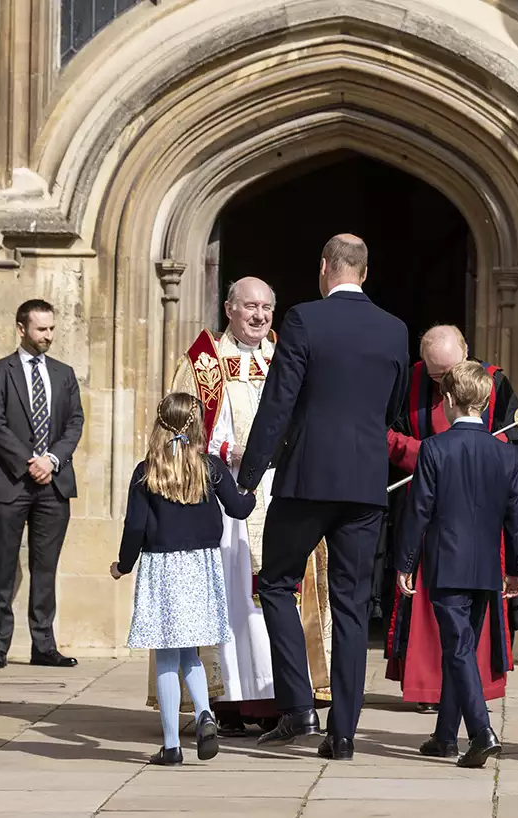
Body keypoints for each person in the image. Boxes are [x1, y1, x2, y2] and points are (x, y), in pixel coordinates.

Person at [237, 234, 409, 760]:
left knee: (275, 583)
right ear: (365, 271)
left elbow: (279, 400)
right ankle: (344, 733)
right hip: (364, 483)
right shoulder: (395, 328)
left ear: (324, 269)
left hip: (309, 477)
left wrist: (248, 475)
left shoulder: (305, 318)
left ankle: (297, 707)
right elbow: (393, 407)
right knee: (353, 605)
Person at [164, 277, 332, 736]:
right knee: (230, 596)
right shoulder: (202, 362)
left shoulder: (287, 356)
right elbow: (180, 430)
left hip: (282, 490)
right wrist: (223, 452)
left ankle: (285, 698)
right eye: (249, 307)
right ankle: (228, 702)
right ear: (229, 309)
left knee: (274, 594)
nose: (259, 316)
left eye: (266, 308)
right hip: (223, 500)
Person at [384, 325, 518, 713]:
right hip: (428, 512)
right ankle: (436, 702)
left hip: (477, 519)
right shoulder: (408, 381)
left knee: (467, 626)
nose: (443, 384)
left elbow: (516, 454)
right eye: (436, 376)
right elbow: (387, 435)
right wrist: (427, 456)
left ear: (466, 354)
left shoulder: (494, 382)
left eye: (448, 375)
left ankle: (472, 715)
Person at [110, 392, 257, 766]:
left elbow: (135, 528)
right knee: (190, 651)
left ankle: (173, 745)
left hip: (163, 568)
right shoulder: (210, 467)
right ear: (197, 427)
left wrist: (122, 565)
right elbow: (239, 508)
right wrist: (251, 492)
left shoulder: (146, 472)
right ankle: (205, 713)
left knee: (165, 657)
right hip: (201, 568)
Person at [395, 362, 518, 769]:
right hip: (486, 566)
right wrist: (517, 568)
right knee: (460, 648)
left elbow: (419, 511)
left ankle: (482, 732)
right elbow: (516, 518)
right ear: (487, 402)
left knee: (459, 649)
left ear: (450, 400)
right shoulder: (504, 453)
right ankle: (445, 736)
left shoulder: (435, 448)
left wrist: (405, 562)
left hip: (447, 564)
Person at [0, 299, 84, 669]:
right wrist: (30, 462)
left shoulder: (64, 374)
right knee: (2, 565)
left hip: (54, 483)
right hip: (10, 480)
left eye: (52, 329)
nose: (48, 336)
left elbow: (75, 423)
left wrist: (51, 460)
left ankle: (43, 645)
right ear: (21, 328)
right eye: (41, 329)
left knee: (45, 567)